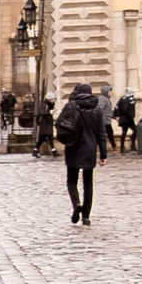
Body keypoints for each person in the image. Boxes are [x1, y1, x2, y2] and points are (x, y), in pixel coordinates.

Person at [55, 82, 110, 224]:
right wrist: (103, 154)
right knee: (88, 183)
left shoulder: (71, 106)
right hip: (90, 149)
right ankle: (86, 216)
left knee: (72, 180)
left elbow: (59, 123)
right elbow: (101, 134)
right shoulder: (97, 110)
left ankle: (76, 204)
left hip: (73, 146)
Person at [113, 89, 138, 155]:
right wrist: (130, 115)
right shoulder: (126, 99)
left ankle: (132, 145)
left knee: (134, 130)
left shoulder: (128, 99)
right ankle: (123, 147)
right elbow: (125, 109)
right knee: (125, 132)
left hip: (128, 119)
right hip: (126, 119)